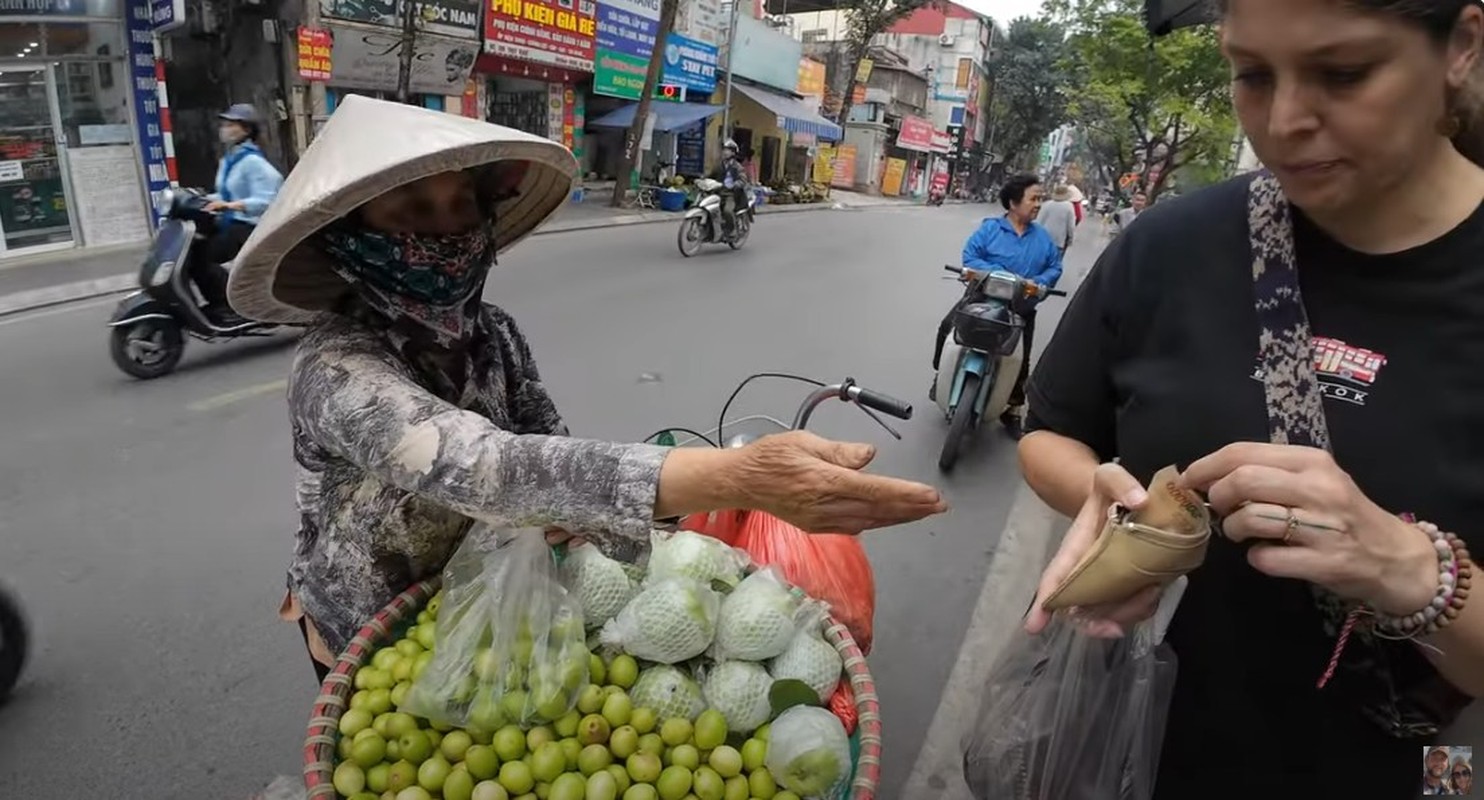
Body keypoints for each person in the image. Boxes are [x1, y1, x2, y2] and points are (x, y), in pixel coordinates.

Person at [225, 96, 947, 682]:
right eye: (410, 212)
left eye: (458, 208)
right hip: (371, 624)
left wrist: (670, 559)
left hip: (483, 594)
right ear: (350, 236)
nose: (443, 232)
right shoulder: (335, 365)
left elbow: (551, 456)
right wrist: (740, 479)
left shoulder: (494, 334)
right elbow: (488, 469)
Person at [1018, 1, 1484, 797]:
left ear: (1462, 46)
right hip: (1137, 753)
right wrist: (1119, 509)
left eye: (1343, 73)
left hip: (1406, 772)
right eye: (1251, 74)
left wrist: (1409, 570)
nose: (1285, 119)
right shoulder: (1169, 246)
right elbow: (1052, 434)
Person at [932, 173, 1062, 440]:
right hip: (981, 297)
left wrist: (1038, 283)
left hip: (1020, 307)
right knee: (947, 328)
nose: (1038, 204)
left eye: (1040, 198)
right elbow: (971, 255)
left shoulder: (1043, 238)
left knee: (1021, 360)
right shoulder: (990, 229)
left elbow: (1054, 266)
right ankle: (940, 377)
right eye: (1033, 198)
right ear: (1014, 203)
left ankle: (1013, 410)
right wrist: (1002, 275)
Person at [200, 103, 282, 324]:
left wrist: (230, 206)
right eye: (224, 124)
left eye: (230, 125)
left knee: (206, 257)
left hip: (249, 226)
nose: (224, 129)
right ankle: (219, 301)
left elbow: (266, 199)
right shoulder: (228, 161)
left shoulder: (254, 163)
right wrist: (200, 199)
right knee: (196, 250)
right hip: (230, 222)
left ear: (246, 130)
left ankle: (230, 304)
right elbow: (224, 193)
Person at [712, 138, 748, 237]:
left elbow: (743, 180)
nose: (725, 152)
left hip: (731, 195)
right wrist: (701, 179)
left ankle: (732, 230)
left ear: (733, 153)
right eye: (724, 150)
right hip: (718, 192)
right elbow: (711, 175)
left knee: (727, 210)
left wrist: (736, 184)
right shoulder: (719, 165)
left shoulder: (738, 167)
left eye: (728, 150)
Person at [1039, 184, 1077, 255]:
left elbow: (1039, 221)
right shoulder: (1069, 206)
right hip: (1058, 241)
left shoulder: (1047, 204)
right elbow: (1071, 226)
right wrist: (1070, 239)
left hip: (1043, 239)